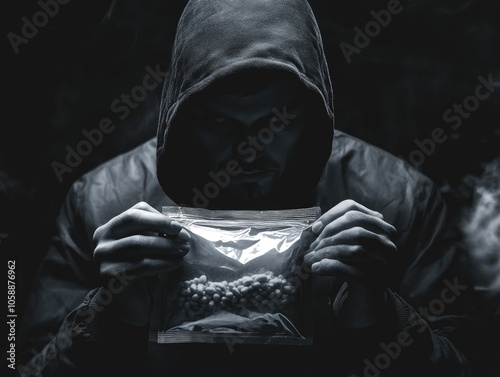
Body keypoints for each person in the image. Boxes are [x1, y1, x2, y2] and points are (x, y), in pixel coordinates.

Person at [17, 0, 483, 376]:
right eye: (219, 123)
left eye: (278, 122)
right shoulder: (103, 200)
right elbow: (25, 362)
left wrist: (380, 318)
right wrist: (109, 314)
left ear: (313, 114)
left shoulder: (398, 199)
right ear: (180, 116)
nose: (250, 149)